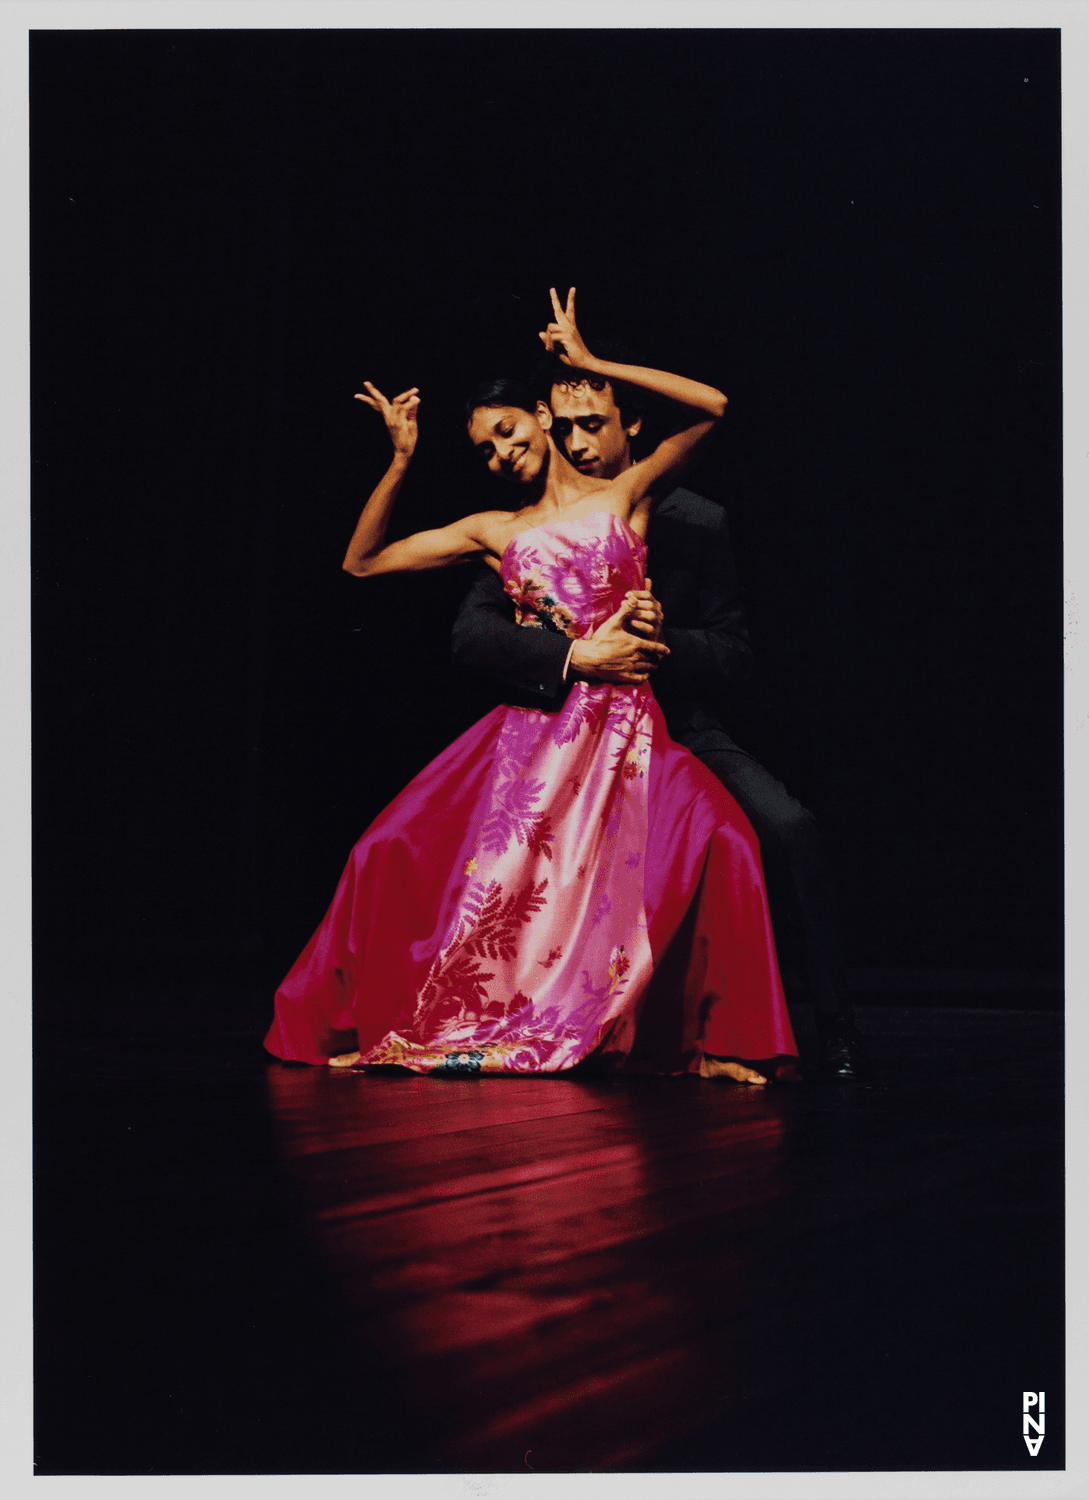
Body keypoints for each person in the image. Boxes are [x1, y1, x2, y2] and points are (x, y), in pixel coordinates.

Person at [264, 288, 798, 1083]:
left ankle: (705, 1040)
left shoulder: (625, 497)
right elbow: (361, 561)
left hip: (624, 730)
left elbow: (713, 406)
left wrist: (589, 364)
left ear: (542, 423)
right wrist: (402, 459)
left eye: (507, 434)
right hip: (536, 737)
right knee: (387, 848)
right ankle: (391, 1018)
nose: (499, 455)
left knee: (724, 842)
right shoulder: (496, 531)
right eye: (483, 450)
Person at [451, 344, 872, 1081]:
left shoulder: (694, 520)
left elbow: (735, 652)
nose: (577, 443)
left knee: (787, 829)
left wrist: (661, 640)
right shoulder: (531, 526)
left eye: (593, 424)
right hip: (566, 736)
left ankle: (833, 1023)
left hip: (679, 727)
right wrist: (573, 655)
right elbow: (473, 632)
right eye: (566, 427)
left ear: (633, 424)